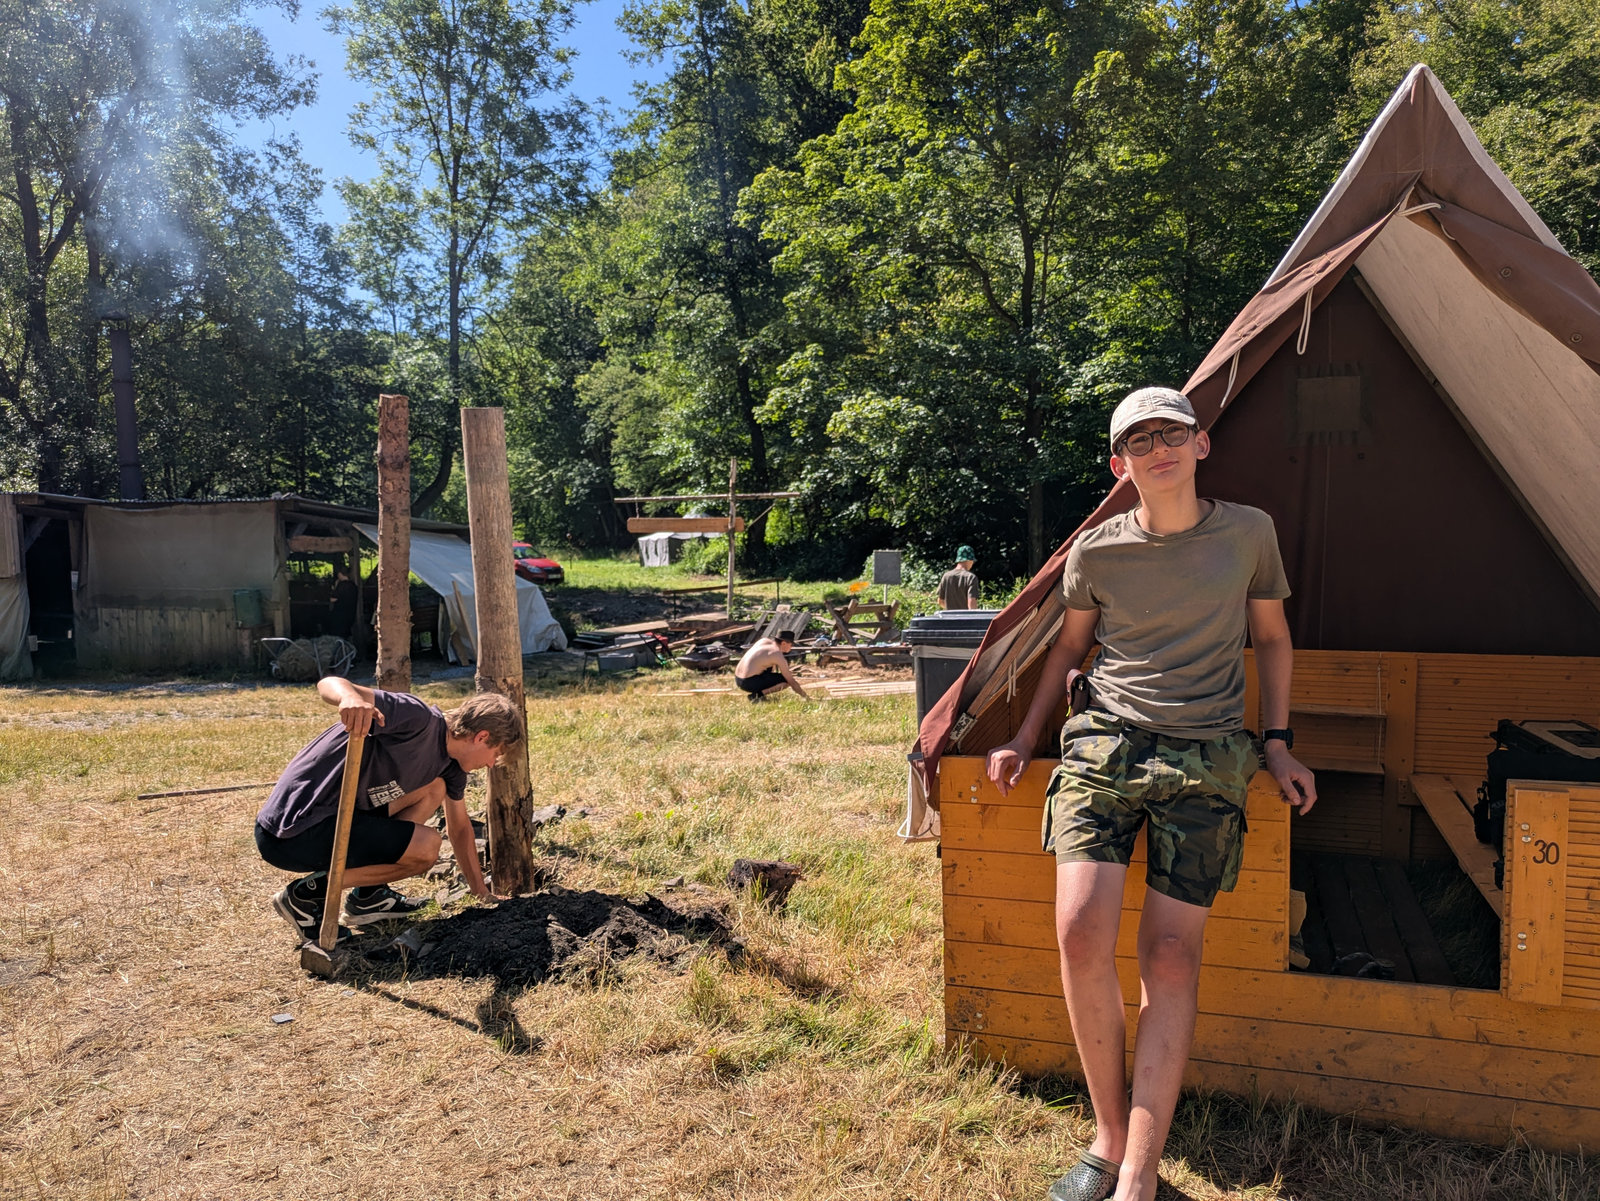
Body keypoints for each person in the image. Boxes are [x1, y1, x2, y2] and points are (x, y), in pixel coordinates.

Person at [984, 386, 1317, 1201]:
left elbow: (1272, 637)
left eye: (1172, 433)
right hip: (1105, 742)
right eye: (1140, 440)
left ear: (1201, 444)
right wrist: (1023, 738)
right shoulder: (1096, 551)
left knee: (1169, 954)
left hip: (1207, 752)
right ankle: (1106, 1138)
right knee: (1078, 931)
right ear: (1119, 464)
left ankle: (1138, 1172)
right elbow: (1068, 652)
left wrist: (1277, 743)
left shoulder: (1249, 533)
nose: (1158, 448)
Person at [255, 677, 521, 941]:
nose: (490, 764)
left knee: (434, 789)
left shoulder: (451, 766)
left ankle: (368, 896)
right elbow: (329, 682)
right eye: (495, 754)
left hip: (341, 821)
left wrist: (481, 892)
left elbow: (460, 828)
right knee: (426, 848)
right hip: (293, 830)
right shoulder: (417, 718)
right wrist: (349, 698)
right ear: (481, 737)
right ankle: (308, 895)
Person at [734, 631, 810, 701]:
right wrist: (805, 696)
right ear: (783, 643)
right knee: (785, 681)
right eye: (791, 645)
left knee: (770, 666)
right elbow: (791, 681)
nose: (791, 647)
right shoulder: (777, 655)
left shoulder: (764, 641)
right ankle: (756, 696)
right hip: (747, 683)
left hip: (738, 678)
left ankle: (758, 692)